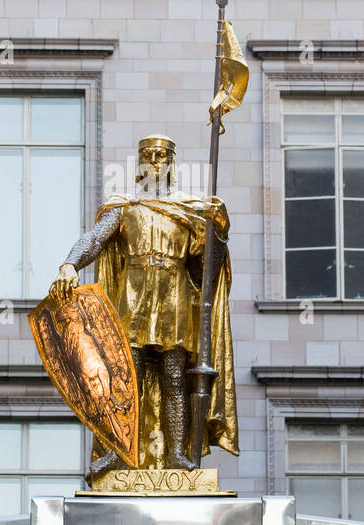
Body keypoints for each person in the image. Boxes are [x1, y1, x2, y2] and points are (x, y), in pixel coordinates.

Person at [49, 134, 237, 479]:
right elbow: (94, 239)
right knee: (126, 379)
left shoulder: (191, 210)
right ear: (139, 165)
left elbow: (209, 267)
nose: (155, 162)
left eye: (162, 157)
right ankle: (119, 452)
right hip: (133, 295)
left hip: (174, 295)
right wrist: (70, 264)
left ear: (172, 165)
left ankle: (178, 454)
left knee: (174, 378)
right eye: (148, 156)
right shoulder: (124, 206)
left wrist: (219, 228)